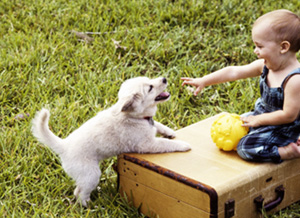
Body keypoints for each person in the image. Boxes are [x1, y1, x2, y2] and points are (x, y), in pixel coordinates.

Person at [181, 9, 300, 163]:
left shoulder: (294, 80)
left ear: (283, 47)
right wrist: (204, 80)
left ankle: (287, 151)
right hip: (260, 116)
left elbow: (288, 116)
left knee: (245, 148)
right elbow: (234, 72)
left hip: (283, 128)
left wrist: (259, 121)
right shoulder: (264, 66)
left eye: (260, 46)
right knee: (228, 129)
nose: (255, 51)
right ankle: (257, 131)